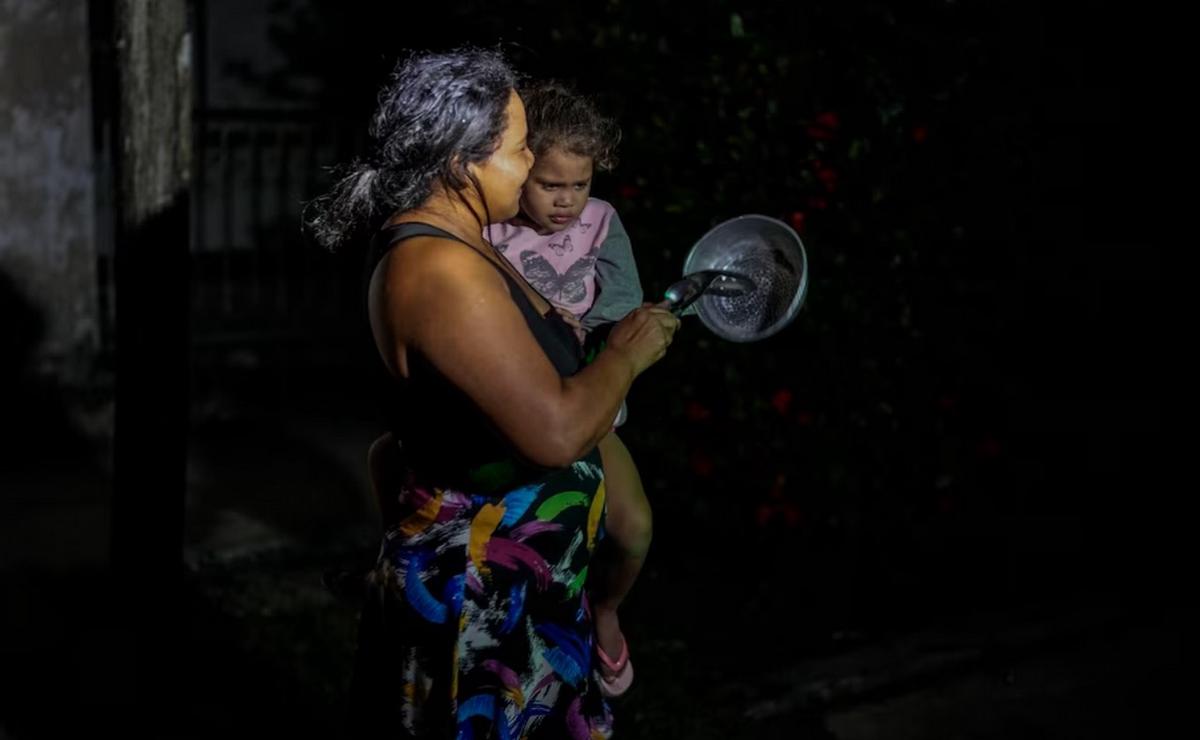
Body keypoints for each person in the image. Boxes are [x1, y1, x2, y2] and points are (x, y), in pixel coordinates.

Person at [304, 48, 679, 739]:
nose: (528, 162)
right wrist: (624, 356)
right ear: (462, 162)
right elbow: (557, 432)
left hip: (525, 589)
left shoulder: (460, 244)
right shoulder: (440, 268)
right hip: (485, 601)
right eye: (516, 148)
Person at [488, 81, 650, 699]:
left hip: (593, 413)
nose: (566, 202)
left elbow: (624, 300)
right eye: (551, 185)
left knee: (633, 528)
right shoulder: (494, 230)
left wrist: (597, 329)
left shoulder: (603, 222)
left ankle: (605, 610)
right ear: (522, 169)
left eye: (578, 186)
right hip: (518, 413)